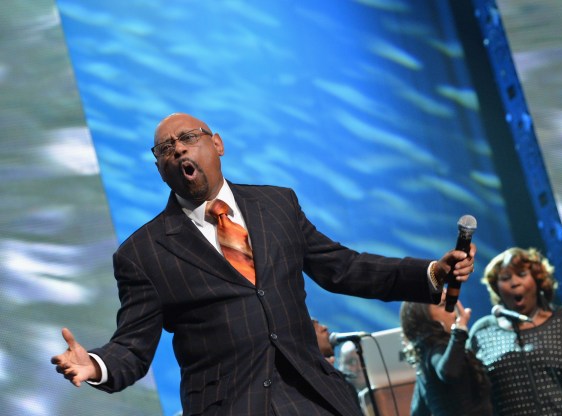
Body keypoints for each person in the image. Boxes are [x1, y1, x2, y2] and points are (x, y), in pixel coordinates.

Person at [50, 113, 476, 416]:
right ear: (160, 169)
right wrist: (96, 365)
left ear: (217, 144)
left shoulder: (277, 204)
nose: (178, 148)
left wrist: (432, 274)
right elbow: (133, 345)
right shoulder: (142, 253)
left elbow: (342, 267)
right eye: (165, 149)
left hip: (313, 396)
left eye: (188, 137)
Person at [469, 247, 562, 416]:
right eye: (505, 278)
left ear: (538, 281)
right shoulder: (482, 331)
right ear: (497, 288)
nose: (514, 282)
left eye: (522, 274)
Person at [400, 294, 493, 416]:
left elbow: (418, 411)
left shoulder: (425, 361)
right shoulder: (436, 350)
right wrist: (460, 330)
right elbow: (449, 372)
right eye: (443, 305)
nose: (453, 312)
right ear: (424, 316)